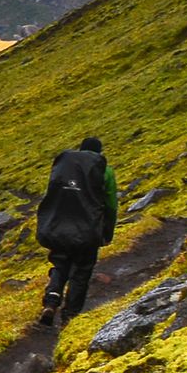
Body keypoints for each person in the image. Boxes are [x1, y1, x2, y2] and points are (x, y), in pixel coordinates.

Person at [36, 133, 117, 327]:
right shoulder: (104, 170)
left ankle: (51, 301)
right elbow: (110, 205)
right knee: (81, 271)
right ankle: (69, 316)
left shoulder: (67, 168)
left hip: (60, 227)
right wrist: (107, 232)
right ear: (99, 153)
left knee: (60, 263)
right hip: (87, 229)